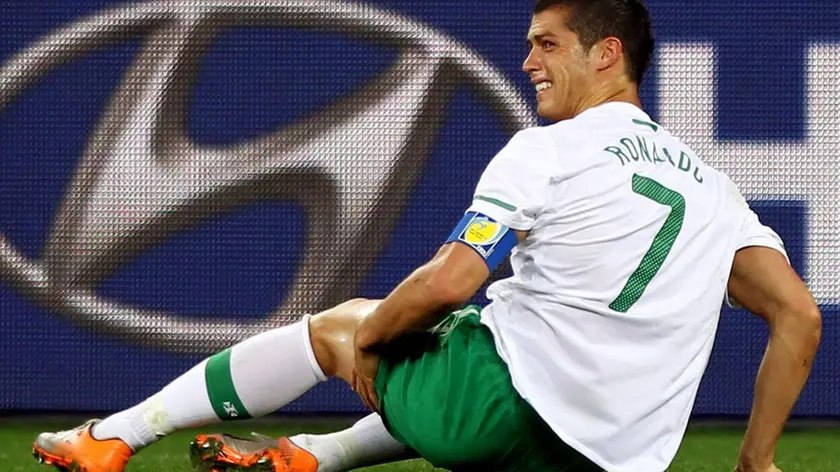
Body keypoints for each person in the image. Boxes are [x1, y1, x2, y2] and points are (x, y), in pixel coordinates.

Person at [31, 1, 822, 471]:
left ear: (608, 53)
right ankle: (318, 454)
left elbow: (451, 279)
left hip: (501, 414)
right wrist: (755, 460)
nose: (528, 60)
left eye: (547, 43)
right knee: (472, 350)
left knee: (349, 326)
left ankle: (111, 438)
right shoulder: (714, 190)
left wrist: (371, 338)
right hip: (613, 459)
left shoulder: (550, 149)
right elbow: (798, 316)